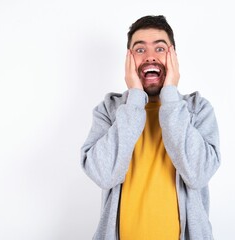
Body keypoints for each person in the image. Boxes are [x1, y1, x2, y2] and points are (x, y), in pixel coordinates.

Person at [81, 15, 221, 240]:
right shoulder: (109, 110)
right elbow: (103, 174)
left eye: (160, 49)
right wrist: (134, 99)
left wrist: (171, 98)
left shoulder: (198, 110)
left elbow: (198, 174)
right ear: (128, 59)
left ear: (173, 56)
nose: (150, 57)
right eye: (139, 50)